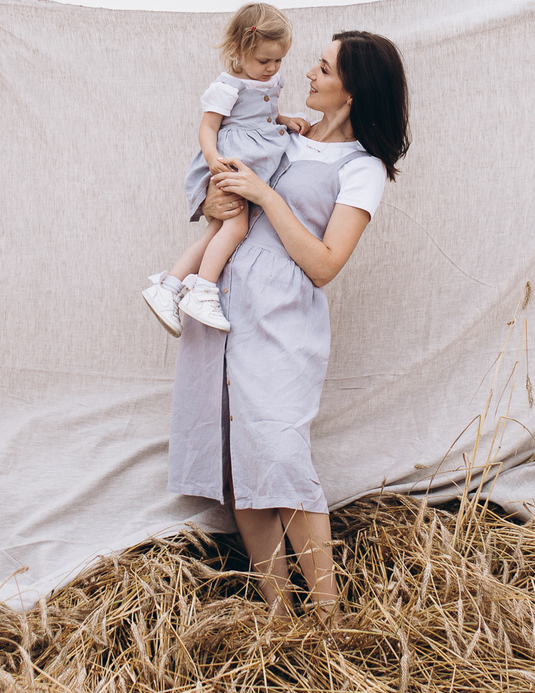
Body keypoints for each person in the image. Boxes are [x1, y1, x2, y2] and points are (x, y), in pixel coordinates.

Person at [168, 30, 410, 618]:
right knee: (245, 463)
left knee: (281, 456)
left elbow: (326, 264)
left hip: (283, 317)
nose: (307, 74)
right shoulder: (283, 132)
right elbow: (225, 182)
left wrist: (265, 197)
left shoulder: (362, 168)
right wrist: (221, 198)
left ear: (352, 90)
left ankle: (327, 618)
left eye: (323, 69)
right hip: (225, 303)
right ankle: (279, 614)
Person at [141, 2, 308, 337]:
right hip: (231, 160)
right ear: (238, 50)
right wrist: (213, 156)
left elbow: (264, 116)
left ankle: (170, 286)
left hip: (252, 161)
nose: (271, 68)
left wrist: (284, 119)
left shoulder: (272, 81)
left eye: (278, 60)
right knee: (236, 227)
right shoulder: (226, 86)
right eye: (264, 61)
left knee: (216, 232)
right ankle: (203, 290)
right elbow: (208, 127)